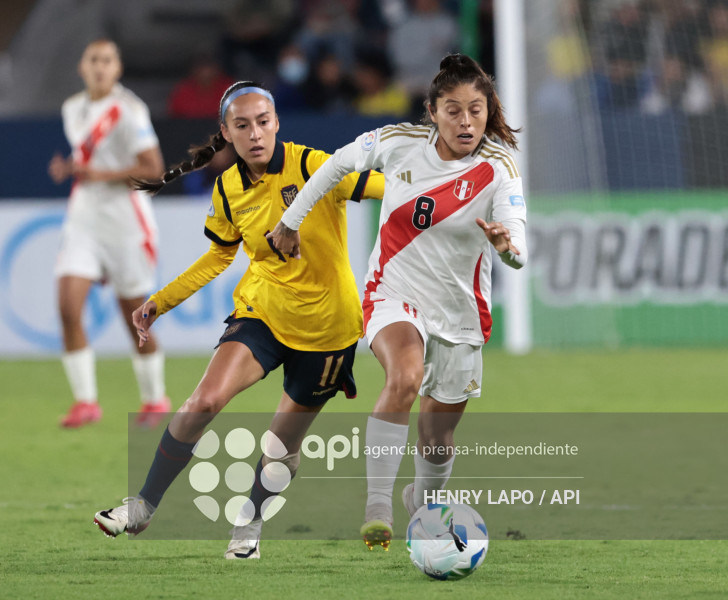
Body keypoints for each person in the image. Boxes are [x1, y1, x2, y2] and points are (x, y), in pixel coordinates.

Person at [93, 81, 384, 559]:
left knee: (279, 448)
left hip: (329, 330)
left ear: (277, 124)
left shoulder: (315, 166)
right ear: (225, 132)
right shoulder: (228, 188)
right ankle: (143, 504)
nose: (255, 134)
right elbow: (217, 257)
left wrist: (429, 187)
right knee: (203, 401)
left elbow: (384, 186)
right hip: (263, 312)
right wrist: (159, 301)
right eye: (243, 125)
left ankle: (248, 526)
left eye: (264, 122)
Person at [269, 53, 528, 550]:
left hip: (461, 312)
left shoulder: (499, 167)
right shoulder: (398, 143)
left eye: (476, 110)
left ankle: (424, 505)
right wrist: (290, 221)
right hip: (394, 291)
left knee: (438, 436)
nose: (466, 121)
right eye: (453, 110)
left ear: (487, 110)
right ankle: (377, 509)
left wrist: (506, 249)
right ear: (432, 111)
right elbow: (332, 168)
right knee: (404, 376)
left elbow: (517, 242)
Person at [48, 39, 170, 429]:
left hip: (125, 222)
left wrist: (102, 175)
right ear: (83, 67)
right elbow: (91, 159)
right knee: (68, 307)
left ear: (117, 69)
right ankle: (85, 402)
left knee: (133, 318)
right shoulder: (72, 108)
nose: (100, 67)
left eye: (107, 61)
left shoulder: (130, 110)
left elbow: (154, 168)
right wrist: (70, 169)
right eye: (93, 60)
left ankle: (155, 399)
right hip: (84, 217)